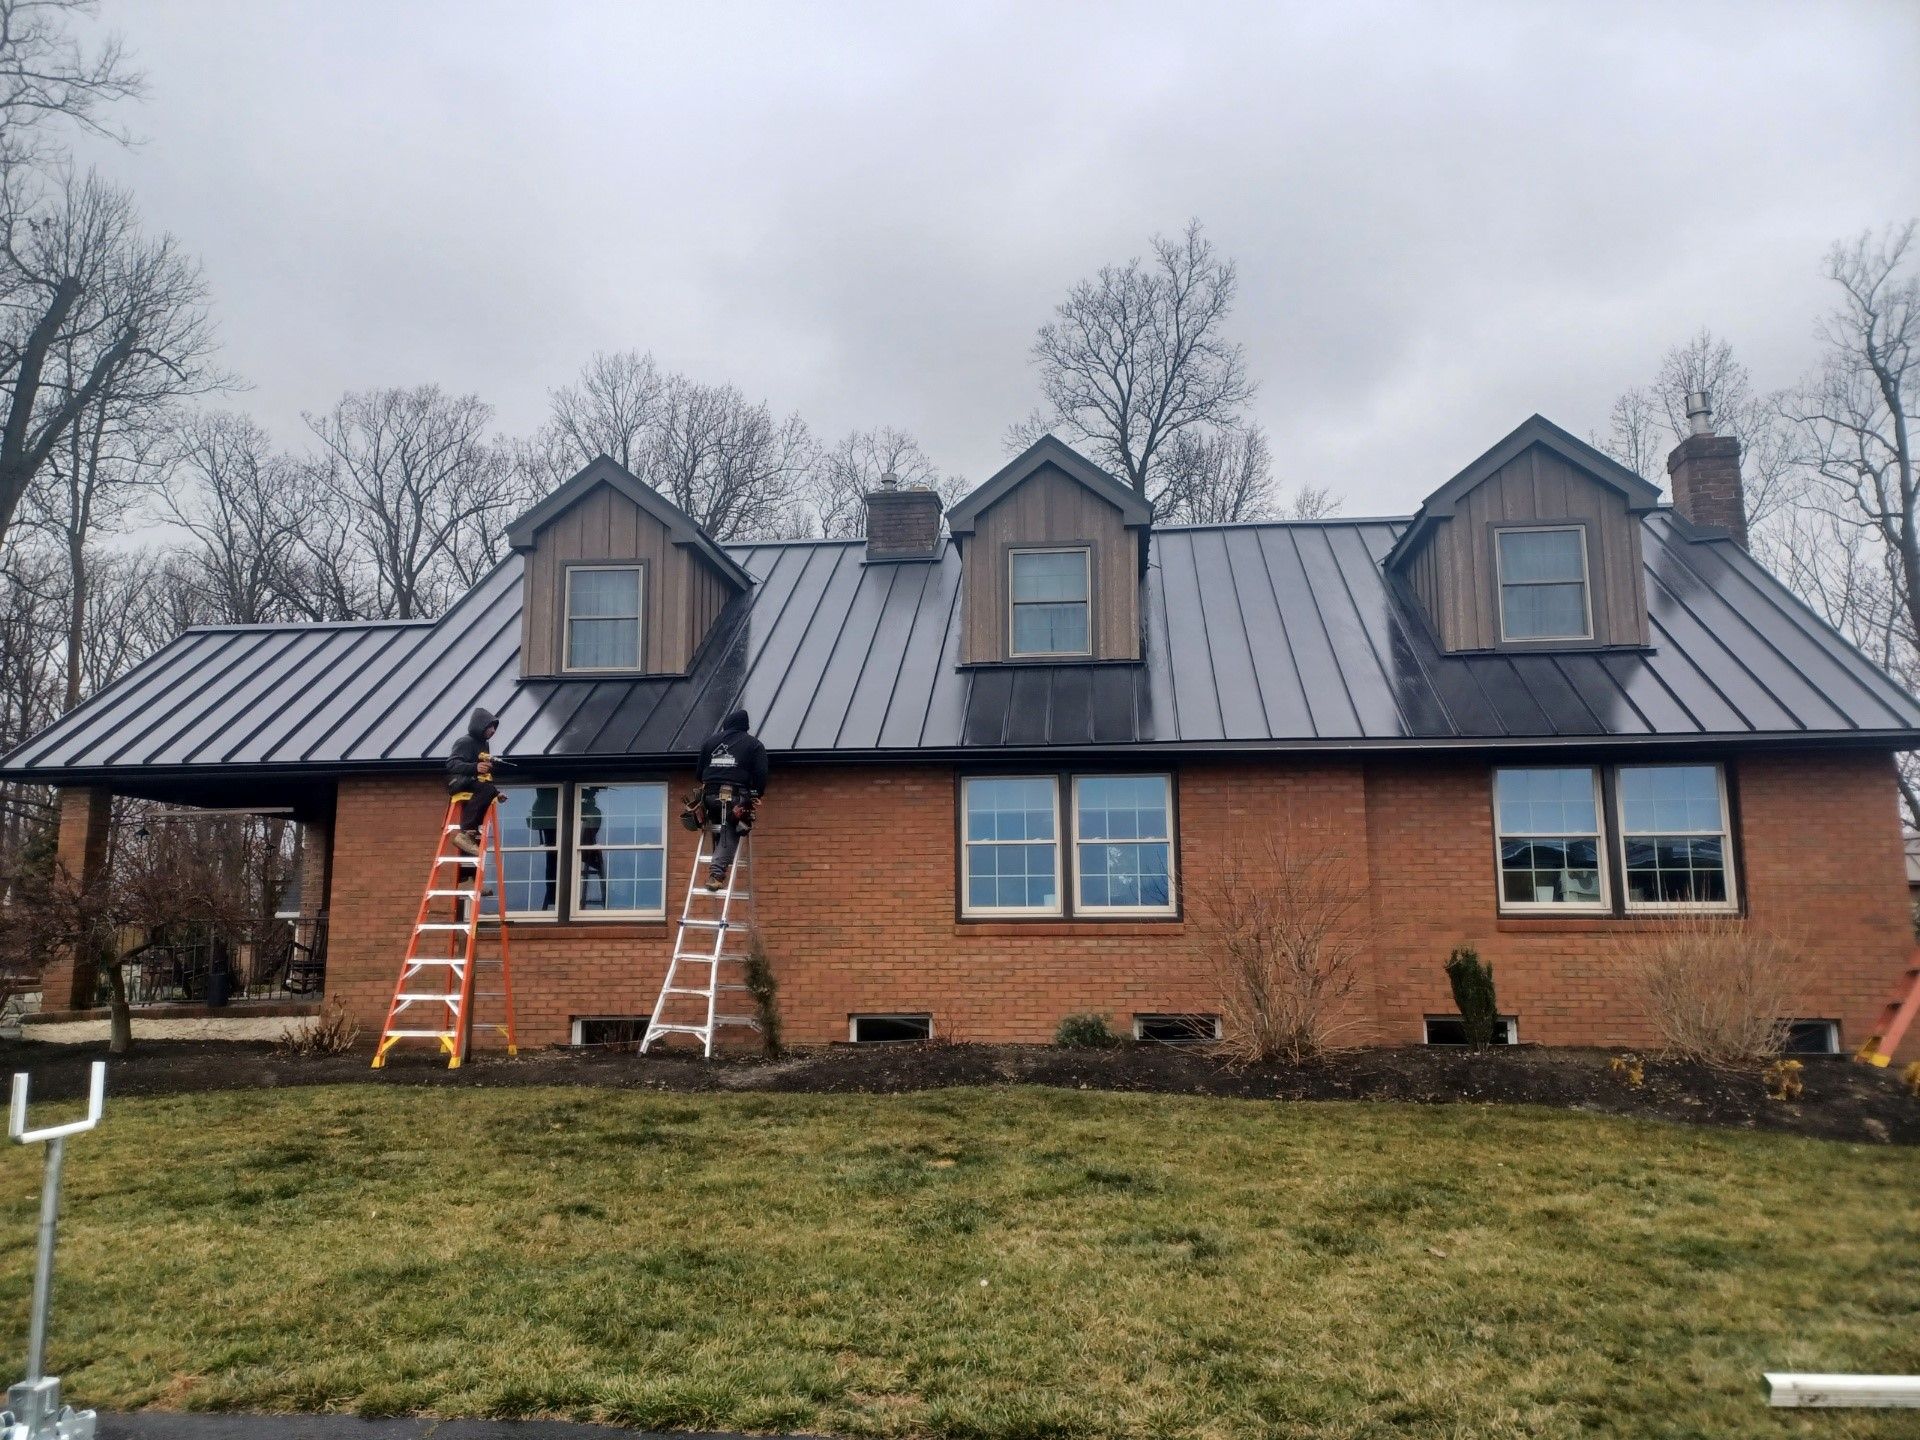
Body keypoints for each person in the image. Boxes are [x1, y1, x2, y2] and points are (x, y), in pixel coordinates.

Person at [696, 707, 769, 890]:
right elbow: (761, 774)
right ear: (745, 726)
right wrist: (755, 795)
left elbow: (699, 774)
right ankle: (717, 873)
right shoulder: (754, 745)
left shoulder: (710, 742)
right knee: (732, 826)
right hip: (734, 798)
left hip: (709, 797)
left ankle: (718, 860)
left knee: (721, 823)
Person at [446, 707, 499, 855]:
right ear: (481, 725)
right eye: (490, 726)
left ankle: (468, 874)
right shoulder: (465, 742)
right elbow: (452, 764)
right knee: (486, 789)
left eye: (494, 727)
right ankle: (467, 831)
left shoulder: (484, 744)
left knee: (489, 790)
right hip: (459, 781)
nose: (493, 730)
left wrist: (496, 793)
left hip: (473, 782)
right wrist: (475, 767)